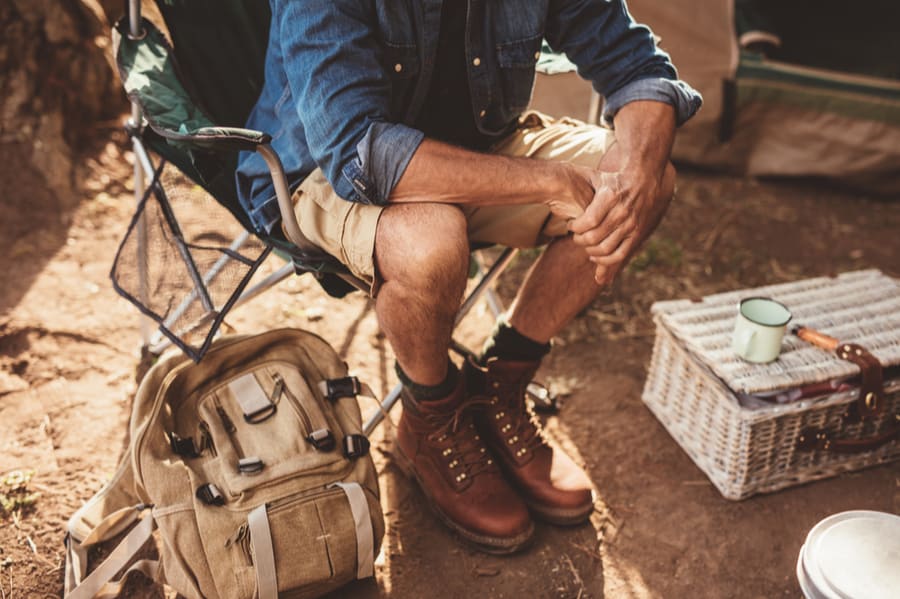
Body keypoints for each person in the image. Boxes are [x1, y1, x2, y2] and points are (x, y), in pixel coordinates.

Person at [236, 0, 701, 554]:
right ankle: (431, 416)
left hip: (479, 150)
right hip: (320, 175)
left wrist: (639, 172)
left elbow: (637, 65)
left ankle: (500, 383)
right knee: (431, 239)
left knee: (646, 182)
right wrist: (547, 182)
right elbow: (358, 154)